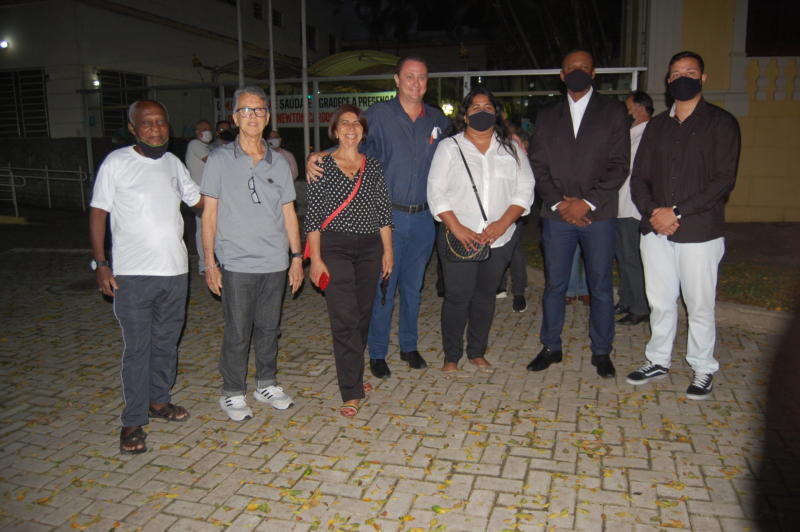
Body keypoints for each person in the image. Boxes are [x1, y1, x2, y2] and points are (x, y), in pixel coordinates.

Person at [307, 56, 449, 379]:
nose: (416, 83)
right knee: (384, 287)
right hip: (387, 216)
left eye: (422, 77)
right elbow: (350, 143)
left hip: (424, 218)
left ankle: (409, 346)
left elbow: (457, 152)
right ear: (397, 80)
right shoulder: (379, 115)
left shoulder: (437, 120)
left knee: (413, 287)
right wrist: (317, 157)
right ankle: (378, 351)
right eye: (409, 76)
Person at [89, 100, 203, 454]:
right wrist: (101, 263)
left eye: (161, 122)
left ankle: (158, 400)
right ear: (133, 128)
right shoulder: (117, 163)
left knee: (166, 343)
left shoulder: (173, 163)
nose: (155, 128)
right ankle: (133, 421)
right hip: (133, 275)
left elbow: (199, 203)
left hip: (175, 271)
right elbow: (98, 213)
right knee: (138, 348)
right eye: (147, 123)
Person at [627, 51, 740, 399]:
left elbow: (723, 180)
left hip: (699, 231)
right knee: (660, 301)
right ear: (668, 81)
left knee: (699, 305)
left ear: (703, 78)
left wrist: (676, 212)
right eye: (676, 74)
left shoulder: (721, 123)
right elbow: (639, 178)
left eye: (690, 72)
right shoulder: (657, 126)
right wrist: (655, 213)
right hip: (656, 229)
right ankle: (658, 360)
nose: (682, 78)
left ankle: (703, 367)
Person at [201, 86, 304, 421]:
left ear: (267, 116)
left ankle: (266, 383)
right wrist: (209, 262)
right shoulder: (219, 160)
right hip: (236, 261)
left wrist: (296, 258)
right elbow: (209, 214)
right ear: (235, 118)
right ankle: (232, 391)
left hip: (274, 261)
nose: (253, 116)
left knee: (269, 328)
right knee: (238, 330)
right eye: (246, 110)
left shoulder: (279, 162)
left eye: (259, 110)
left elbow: (289, 212)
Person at [527, 49, 629, 379]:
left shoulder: (613, 111)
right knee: (555, 285)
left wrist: (586, 203)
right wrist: (561, 204)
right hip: (557, 216)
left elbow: (619, 165)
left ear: (594, 73)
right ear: (562, 75)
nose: (577, 72)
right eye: (571, 68)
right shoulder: (546, 115)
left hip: (598, 215)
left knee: (600, 286)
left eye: (584, 67)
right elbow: (538, 165)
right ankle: (550, 346)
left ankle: (602, 350)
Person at [428, 86, 535, 373]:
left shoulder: (511, 148)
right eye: (475, 107)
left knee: (485, 297)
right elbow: (436, 191)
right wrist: (457, 228)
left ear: (496, 114)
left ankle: (477, 351)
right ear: (465, 115)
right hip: (458, 237)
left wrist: (503, 224)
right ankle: (451, 356)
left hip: (499, 239)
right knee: (457, 297)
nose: (482, 112)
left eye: (488, 107)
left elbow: (525, 189)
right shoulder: (449, 147)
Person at [305, 105, 393, 417]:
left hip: (370, 248)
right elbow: (313, 216)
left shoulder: (374, 166)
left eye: (357, 123)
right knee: (344, 317)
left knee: (363, 315)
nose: (351, 128)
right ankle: (352, 390)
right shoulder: (321, 166)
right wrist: (316, 259)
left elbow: (383, 212)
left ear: (363, 131)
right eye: (345, 123)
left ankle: (354, 370)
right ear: (335, 130)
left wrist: (388, 251)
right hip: (335, 248)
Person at [615, 90, 653, 325]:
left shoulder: (649, 135)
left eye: (627, 107)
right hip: (620, 205)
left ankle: (640, 307)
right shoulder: (630, 134)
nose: (625, 113)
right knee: (623, 257)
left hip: (633, 207)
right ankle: (627, 300)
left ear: (640, 108)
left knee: (632, 259)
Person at [185, 119, 213, 273]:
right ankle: (204, 265)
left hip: (209, 193)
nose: (207, 132)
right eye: (204, 129)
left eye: (209, 129)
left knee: (210, 228)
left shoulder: (207, 147)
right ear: (197, 132)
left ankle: (209, 263)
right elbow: (212, 162)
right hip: (200, 194)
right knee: (203, 229)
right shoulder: (195, 144)